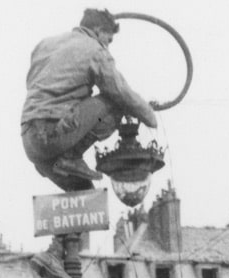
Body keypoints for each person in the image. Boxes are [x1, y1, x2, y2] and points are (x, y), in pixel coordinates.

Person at [21, 8, 157, 192]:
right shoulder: (95, 50)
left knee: (85, 195)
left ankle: (63, 161)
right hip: (54, 136)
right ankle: (71, 156)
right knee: (115, 104)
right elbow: (119, 91)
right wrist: (148, 114)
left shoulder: (44, 45)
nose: (107, 47)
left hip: (30, 141)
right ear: (99, 30)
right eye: (108, 40)